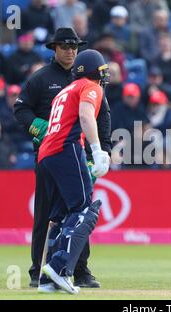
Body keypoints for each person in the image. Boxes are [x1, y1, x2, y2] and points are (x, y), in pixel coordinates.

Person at [14, 28, 110, 289]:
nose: (70, 51)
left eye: (74, 47)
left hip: (62, 151)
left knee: (66, 214)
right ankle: (48, 269)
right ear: (54, 48)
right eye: (65, 46)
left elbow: (102, 118)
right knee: (73, 211)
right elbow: (21, 109)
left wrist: (100, 150)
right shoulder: (44, 79)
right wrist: (40, 128)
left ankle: (69, 272)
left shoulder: (74, 83)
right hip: (61, 149)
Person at [38, 49, 111, 294]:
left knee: (61, 215)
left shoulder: (64, 90)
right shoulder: (91, 86)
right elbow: (85, 115)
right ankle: (59, 268)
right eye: (101, 71)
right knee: (83, 209)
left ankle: (47, 279)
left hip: (47, 153)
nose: (103, 76)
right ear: (94, 71)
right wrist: (98, 149)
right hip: (66, 148)